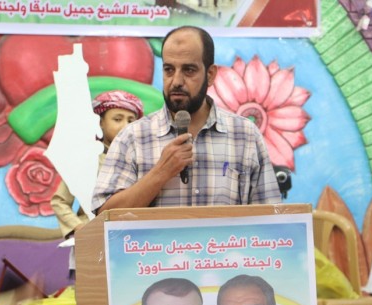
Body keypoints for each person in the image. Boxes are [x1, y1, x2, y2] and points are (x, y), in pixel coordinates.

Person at [91, 26, 281, 214]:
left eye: (189, 70)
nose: (176, 81)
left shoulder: (245, 135)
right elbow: (106, 217)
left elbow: (271, 218)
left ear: (210, 75)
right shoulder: (133, 137)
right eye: (169, 70)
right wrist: (160, 173)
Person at [51, 89, 144, 240]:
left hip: (131, 240)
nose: (125, 126)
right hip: (91, 238)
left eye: (130, 121)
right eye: (117, 119)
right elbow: (60, 201)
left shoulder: (141, 161)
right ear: (100, 123)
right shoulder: (86, 160)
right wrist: (80, 228)